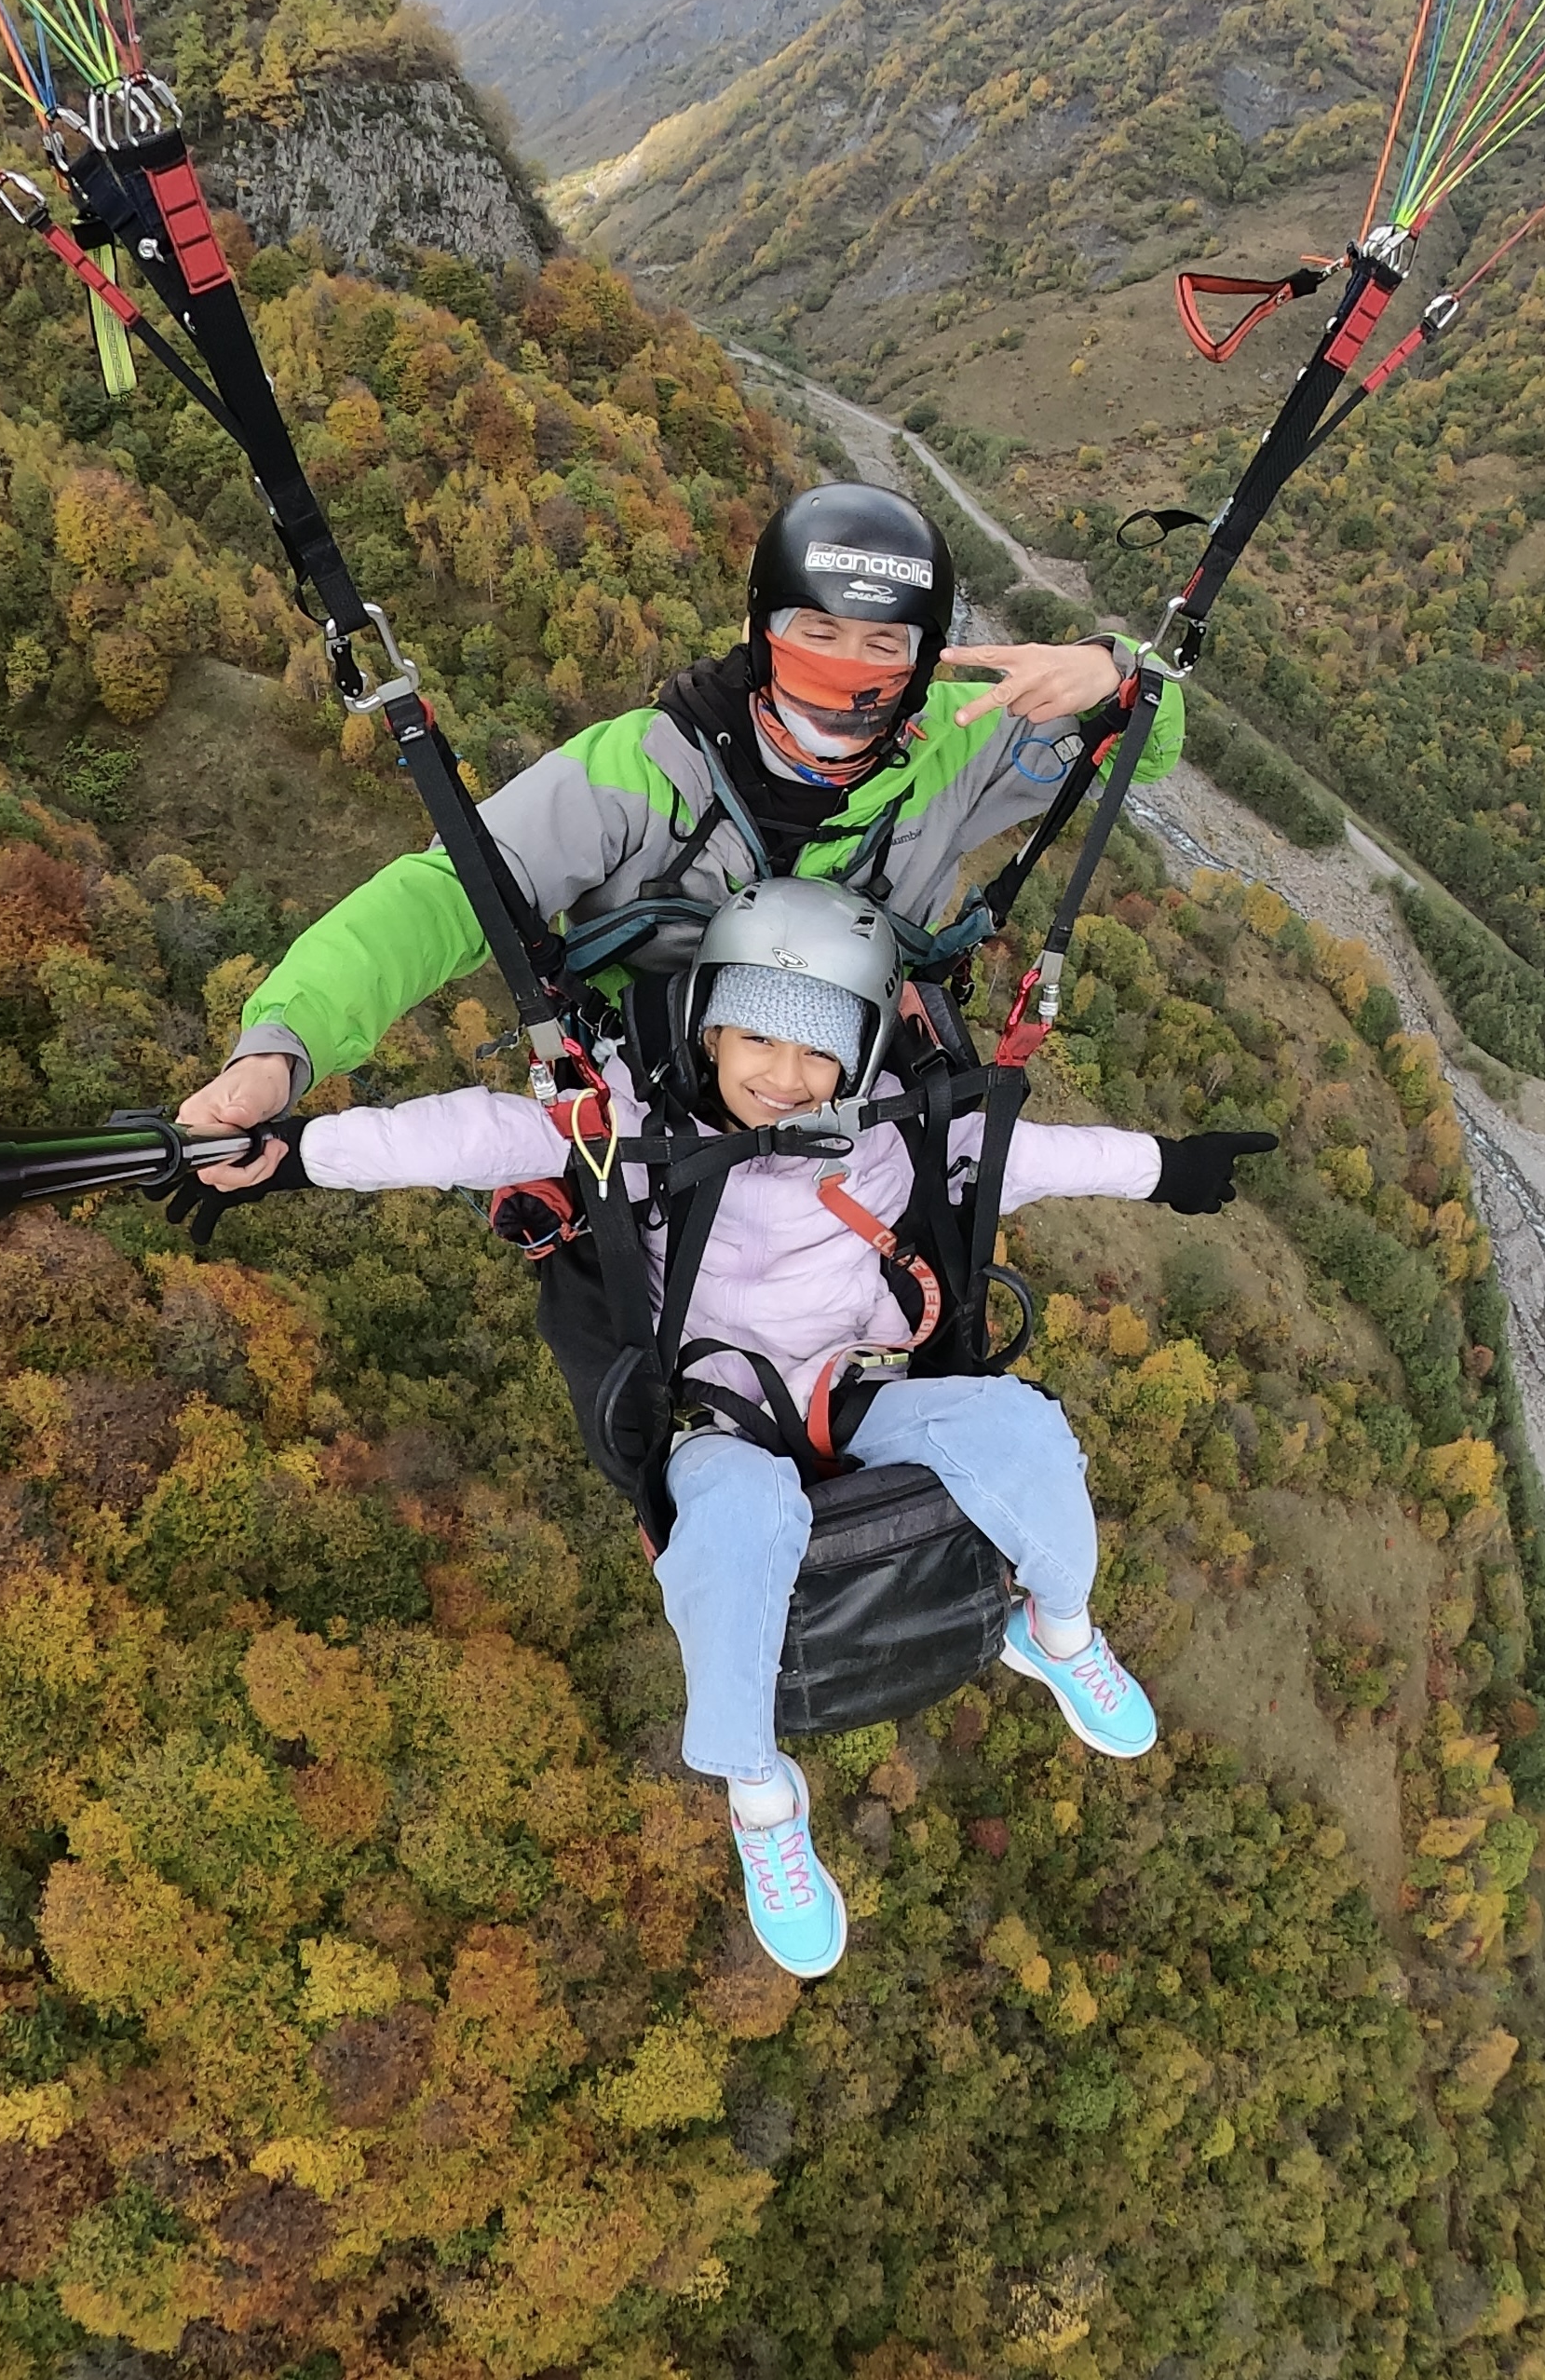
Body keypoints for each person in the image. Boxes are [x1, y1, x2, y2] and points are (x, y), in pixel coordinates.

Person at [234, 879, 1274, 1979]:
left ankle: (1055, 1631)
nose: (786, 1075)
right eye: (759, 1037)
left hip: (855, 1381)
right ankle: (762, 1796)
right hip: (716, 1411)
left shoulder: (886, 1138)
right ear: (708, 1026)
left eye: (822, 1050)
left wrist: (1168, 1165)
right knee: (741, 1520)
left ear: (865, 1056)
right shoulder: (630, 1122)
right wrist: (298, 1153)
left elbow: (1033, 1158)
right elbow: (471, 1134)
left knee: (1020, 1430)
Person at [175, 481, 1186, 1180]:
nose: (847, 670)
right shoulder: (642, 769)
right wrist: (286, 1043)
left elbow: (1156, 735)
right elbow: (454, 891)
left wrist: (1116, 666)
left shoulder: (959, 748)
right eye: (817, 633)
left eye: (884, 643)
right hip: (642, 1103)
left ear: (926, 660)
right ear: (762, 633)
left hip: (844, 1103)